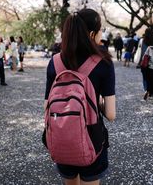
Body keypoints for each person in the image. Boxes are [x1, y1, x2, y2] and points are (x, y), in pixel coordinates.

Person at [44, 9, 116, 185]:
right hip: (92, 140)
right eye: (100, 29)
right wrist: (96, 103)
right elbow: (111, 114)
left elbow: (47, 105)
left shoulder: (55, 62)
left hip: (61, 138)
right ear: (92, 34)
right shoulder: (103, 63)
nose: (101, 33)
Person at [135, 28, 153, 96]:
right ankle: (151, 90)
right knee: (152, 77)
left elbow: (139, 50)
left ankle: (146, 89)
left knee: (145, 77)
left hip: (144, 62)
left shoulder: (142, 40)